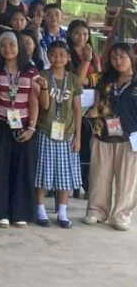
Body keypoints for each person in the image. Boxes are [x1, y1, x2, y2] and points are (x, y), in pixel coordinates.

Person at [0, 31, 39, 228]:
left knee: (22, 169)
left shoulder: (31, 71)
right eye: (3, 46)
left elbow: (34, 100)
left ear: (19, 46)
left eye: (12, 45)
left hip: (23, 124)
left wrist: (31, 126)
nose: (8, 49)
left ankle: (20, 212)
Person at [84, 42, 137, 230]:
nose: (118, 61)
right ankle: (97, 210)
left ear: (131, 58)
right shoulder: (105, 78)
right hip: (103, 133)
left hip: (130, 137)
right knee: (99, 175)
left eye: (122, 57)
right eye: (114, 57)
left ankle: (121, 215)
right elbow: (85, 84)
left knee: (128, 179)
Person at [34, 40, 81, 229]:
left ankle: (62, 211)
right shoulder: (42, 76)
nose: (57, 58)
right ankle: (40, 209)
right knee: (42, 172)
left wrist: (78, 136)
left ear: (68, 57)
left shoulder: (73, 79)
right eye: (53, 54)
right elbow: (42, 104)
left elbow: (77, 109)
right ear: (48, 56)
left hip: (67, 132)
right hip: (45, 129)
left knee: (65, 175)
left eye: (62, 54)